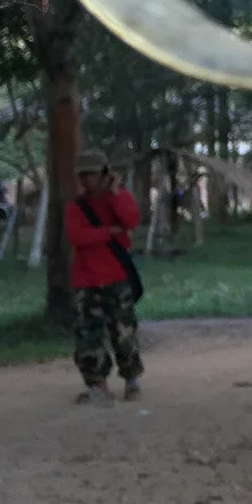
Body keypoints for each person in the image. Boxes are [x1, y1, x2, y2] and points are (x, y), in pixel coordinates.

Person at [64, 148, 143, 405]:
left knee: (124, 332)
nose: (87, 180)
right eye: (82, 175)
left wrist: (116, 194)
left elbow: (131, 221)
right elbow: (78, 237)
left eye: (92, 174)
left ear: (105, 174)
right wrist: (109, 230)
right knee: (88, 335)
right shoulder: (76, 206)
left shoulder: (118, 198)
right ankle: (97, 384)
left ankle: (132, 379)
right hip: (86, 281)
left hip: (116, 277)